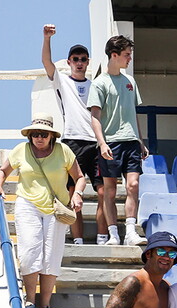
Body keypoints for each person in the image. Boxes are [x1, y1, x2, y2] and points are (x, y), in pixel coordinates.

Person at [0, 114, 85, 308]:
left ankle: (45, 303)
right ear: (30, 136)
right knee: (29, 252)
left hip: (55, 207)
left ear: (51, 136)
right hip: (27, 204)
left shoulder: (63, 151)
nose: (39, 138)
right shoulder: (21, 150)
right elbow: (2, 171)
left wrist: (77, 194)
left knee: (51, 255)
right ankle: (30, 299)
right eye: (35, 134)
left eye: (43, 134)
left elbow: (79, 177)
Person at [41, 24, 103, 245]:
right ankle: (77, 238)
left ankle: (103, 237)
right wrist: (47, 38)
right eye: (75, 59)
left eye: (83, 59)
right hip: (72, 142)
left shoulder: (96, 85)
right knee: (70, 191)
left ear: (88, 62)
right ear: (69, 62)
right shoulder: (62, 81)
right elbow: (47, 63)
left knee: (103, 192)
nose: (79, 62)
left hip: (95, 143)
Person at [88, 35, 148, 246]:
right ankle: (114, 234)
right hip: (110, 143)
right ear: (114, 55)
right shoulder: (99, 83)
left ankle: (131, 232)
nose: (129, 59)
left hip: (131, 142)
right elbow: (95, 117)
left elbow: (133, 112)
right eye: (126, 55)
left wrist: (140, 140)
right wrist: (102, 143)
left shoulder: (130, 81)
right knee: (110, 190)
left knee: (133, 185)